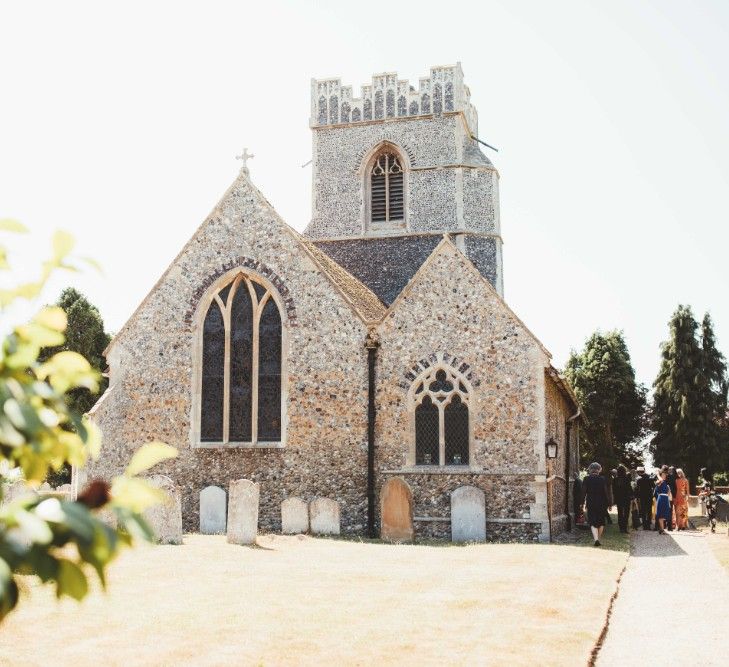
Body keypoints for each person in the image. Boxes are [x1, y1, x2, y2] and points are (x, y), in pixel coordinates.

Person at [583, 462, 609, 546]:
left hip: (591, 502)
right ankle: (598, 539)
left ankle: (596, 539)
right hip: (602, 503)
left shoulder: (586, 479)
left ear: (590, 469)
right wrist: (609, 504)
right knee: (601, 521)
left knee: (593, 521)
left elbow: (583, 492)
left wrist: (581, 503)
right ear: (599, 470)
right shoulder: (603, 479)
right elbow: (606, 493)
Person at [613, 464, 632, 533]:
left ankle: (621, 528)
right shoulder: (627, 479)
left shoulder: (615, 480)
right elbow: (629, 489)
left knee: (620, 513)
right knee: (626, 513)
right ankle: (625, 528)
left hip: (618, 498)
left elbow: (614, 490)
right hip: (626, 498)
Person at [654, 470, 673, 535]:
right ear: (660, 475)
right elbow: (660, 480)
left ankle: (661, 529)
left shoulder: (664, 482)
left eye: (665, 475)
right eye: (663, 475)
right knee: (661, 514)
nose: (665, 476)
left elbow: (668, 492)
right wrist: (657, 474)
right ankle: (662, 529)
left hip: (665, 498)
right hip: (661, 498)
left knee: (664, 514)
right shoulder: (659, 481)